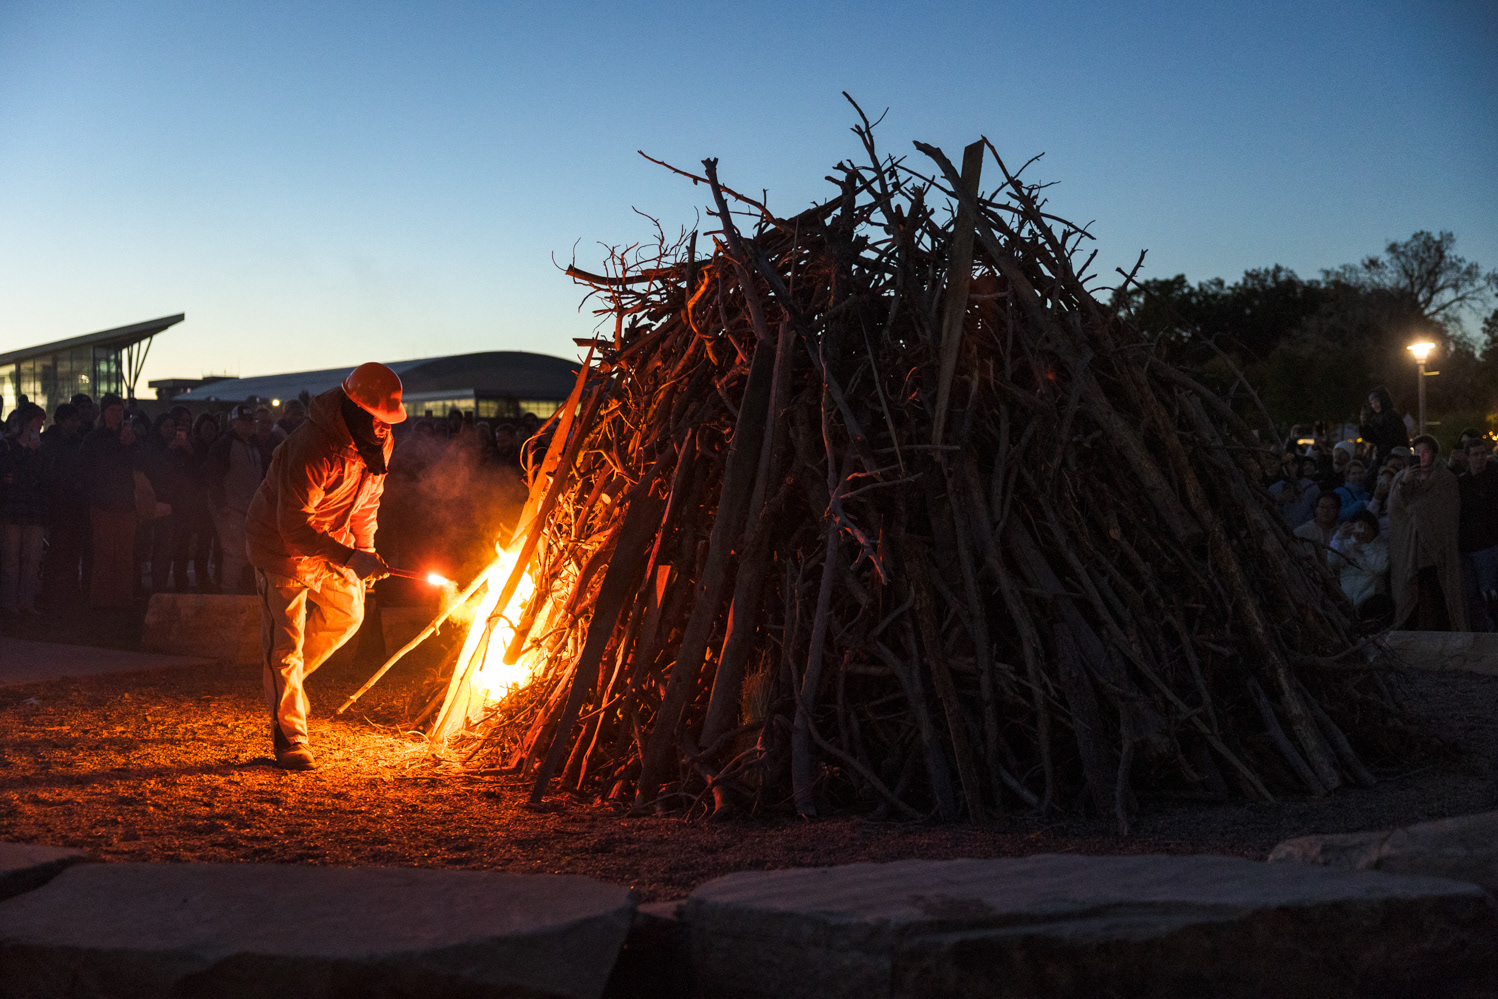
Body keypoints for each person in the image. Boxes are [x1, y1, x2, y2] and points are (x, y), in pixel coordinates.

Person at [246, 362, 402, 771]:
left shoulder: (378, 443)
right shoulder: (311, 447)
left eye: (390, 421)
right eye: (379, 420)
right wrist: (351, 557)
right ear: (355, 410)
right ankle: (290, 737)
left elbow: (367, 505)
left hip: (327, 545)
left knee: (349, 611)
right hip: (278, 546)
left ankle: (283, 680)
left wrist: (364, 554)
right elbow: (293, 526)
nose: (385, 429)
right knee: (285, 645)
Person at [1388, 434, 1467, 631]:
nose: (1421, 456)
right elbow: (1397, 510)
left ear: (1434, 453)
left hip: (1435, 551)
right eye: (1417, 452)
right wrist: (1405, 483)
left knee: (1436, 597)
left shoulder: (1445, 479)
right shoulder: (1402, 477)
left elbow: (1447, 514)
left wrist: (1421, 515)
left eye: (1426, 452)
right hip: (1409, 549)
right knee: (1411, 596)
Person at [79, 394, 139, 610]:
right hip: (103, 505)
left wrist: (131, 445)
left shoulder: (129, 439)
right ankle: (102, 602)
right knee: (104, 555)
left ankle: (123, 601)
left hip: (125, 505)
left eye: (120, 410)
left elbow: (140, 465)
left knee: (124, 556)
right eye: (113, 410)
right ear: (104, 413)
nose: (117, 413)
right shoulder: (94, 439)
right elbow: (85, 471)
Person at [206, 405, 266, 595]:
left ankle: (241, 588)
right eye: (244, 421)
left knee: (247, 552)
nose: (249, 425)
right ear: (234, 423)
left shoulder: (254, 445)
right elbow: (213, 476)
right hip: (231, 508)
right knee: (234, 553)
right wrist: (221, 503)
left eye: (251, 421)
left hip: (248, 508)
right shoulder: (224, 445)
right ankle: (228, 590)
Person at [0, 404, 47, 615]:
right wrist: (29, 452)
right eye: (38, 421)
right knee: (12, 559)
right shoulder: (8, 446)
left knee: (31, 559)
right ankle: (10, 603)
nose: (40, 425)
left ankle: (26, 602)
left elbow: (39, 476)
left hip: (32, 508)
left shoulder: (39, 448)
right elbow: (9, 473)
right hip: (13, 508)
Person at [1457, 436, 1498, 632]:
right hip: (1466, 547)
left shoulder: (1494, 476)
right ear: (1467, 457)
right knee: (1469, 594)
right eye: (1476, 454)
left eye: (1483, 453)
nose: (1480, 458)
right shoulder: (1461, 482)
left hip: (1487, 546)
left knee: (1487, 592)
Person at [1330, 510, 1391, 621]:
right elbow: (1332, 561)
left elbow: (1379, 568)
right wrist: (1338, 537)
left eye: (1367, 529)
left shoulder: (1381, 547)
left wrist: (1365, 548)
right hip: (1346, 599)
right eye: (1359, 527)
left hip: (1370, 600)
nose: (1363, 532)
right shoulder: (1346, 544)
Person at [1360, 387, 1409, 473]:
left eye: (1376, 402)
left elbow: (1385, 438)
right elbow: (1374, 438)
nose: (1374, 405)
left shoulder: (1391, 416)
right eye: (1372, 403)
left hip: (1392, 459)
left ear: (1383, 400)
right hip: (1385, 457)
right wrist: (1365, 425)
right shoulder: (1380, 418)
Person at [1268, 450, 1320, 530]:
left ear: (1297, 466)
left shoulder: (1312, 487)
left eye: (1291, 464)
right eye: (1284, 465)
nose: (1288, 468)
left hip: (1305, 531)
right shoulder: (1273, 489)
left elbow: (1317, 511)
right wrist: (1280, 502)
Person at [1294, 492, 1343, 563]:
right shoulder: (1301, 532)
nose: (1326, 511)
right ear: (1316, 509)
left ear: (1337, 510)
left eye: (1331, 507)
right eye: (1322, 507)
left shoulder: (1342, 533)